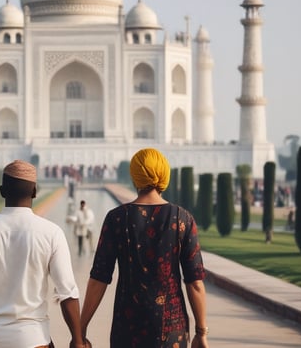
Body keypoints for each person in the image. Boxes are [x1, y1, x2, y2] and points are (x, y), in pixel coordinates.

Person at [80, 148, 209, 348]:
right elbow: (195, 283)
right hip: (172, 329)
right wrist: (201, 332)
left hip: (128, 328)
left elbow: (99, 278)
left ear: (135, 176)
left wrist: (80, 329)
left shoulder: (116, 218)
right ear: (164, 174)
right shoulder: (182, 218)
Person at [0, 160, 87, 348]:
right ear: (34, 192)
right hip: (33, 338)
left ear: (2, 191)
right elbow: (67, 293)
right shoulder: (51, 233)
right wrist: (78, 340)